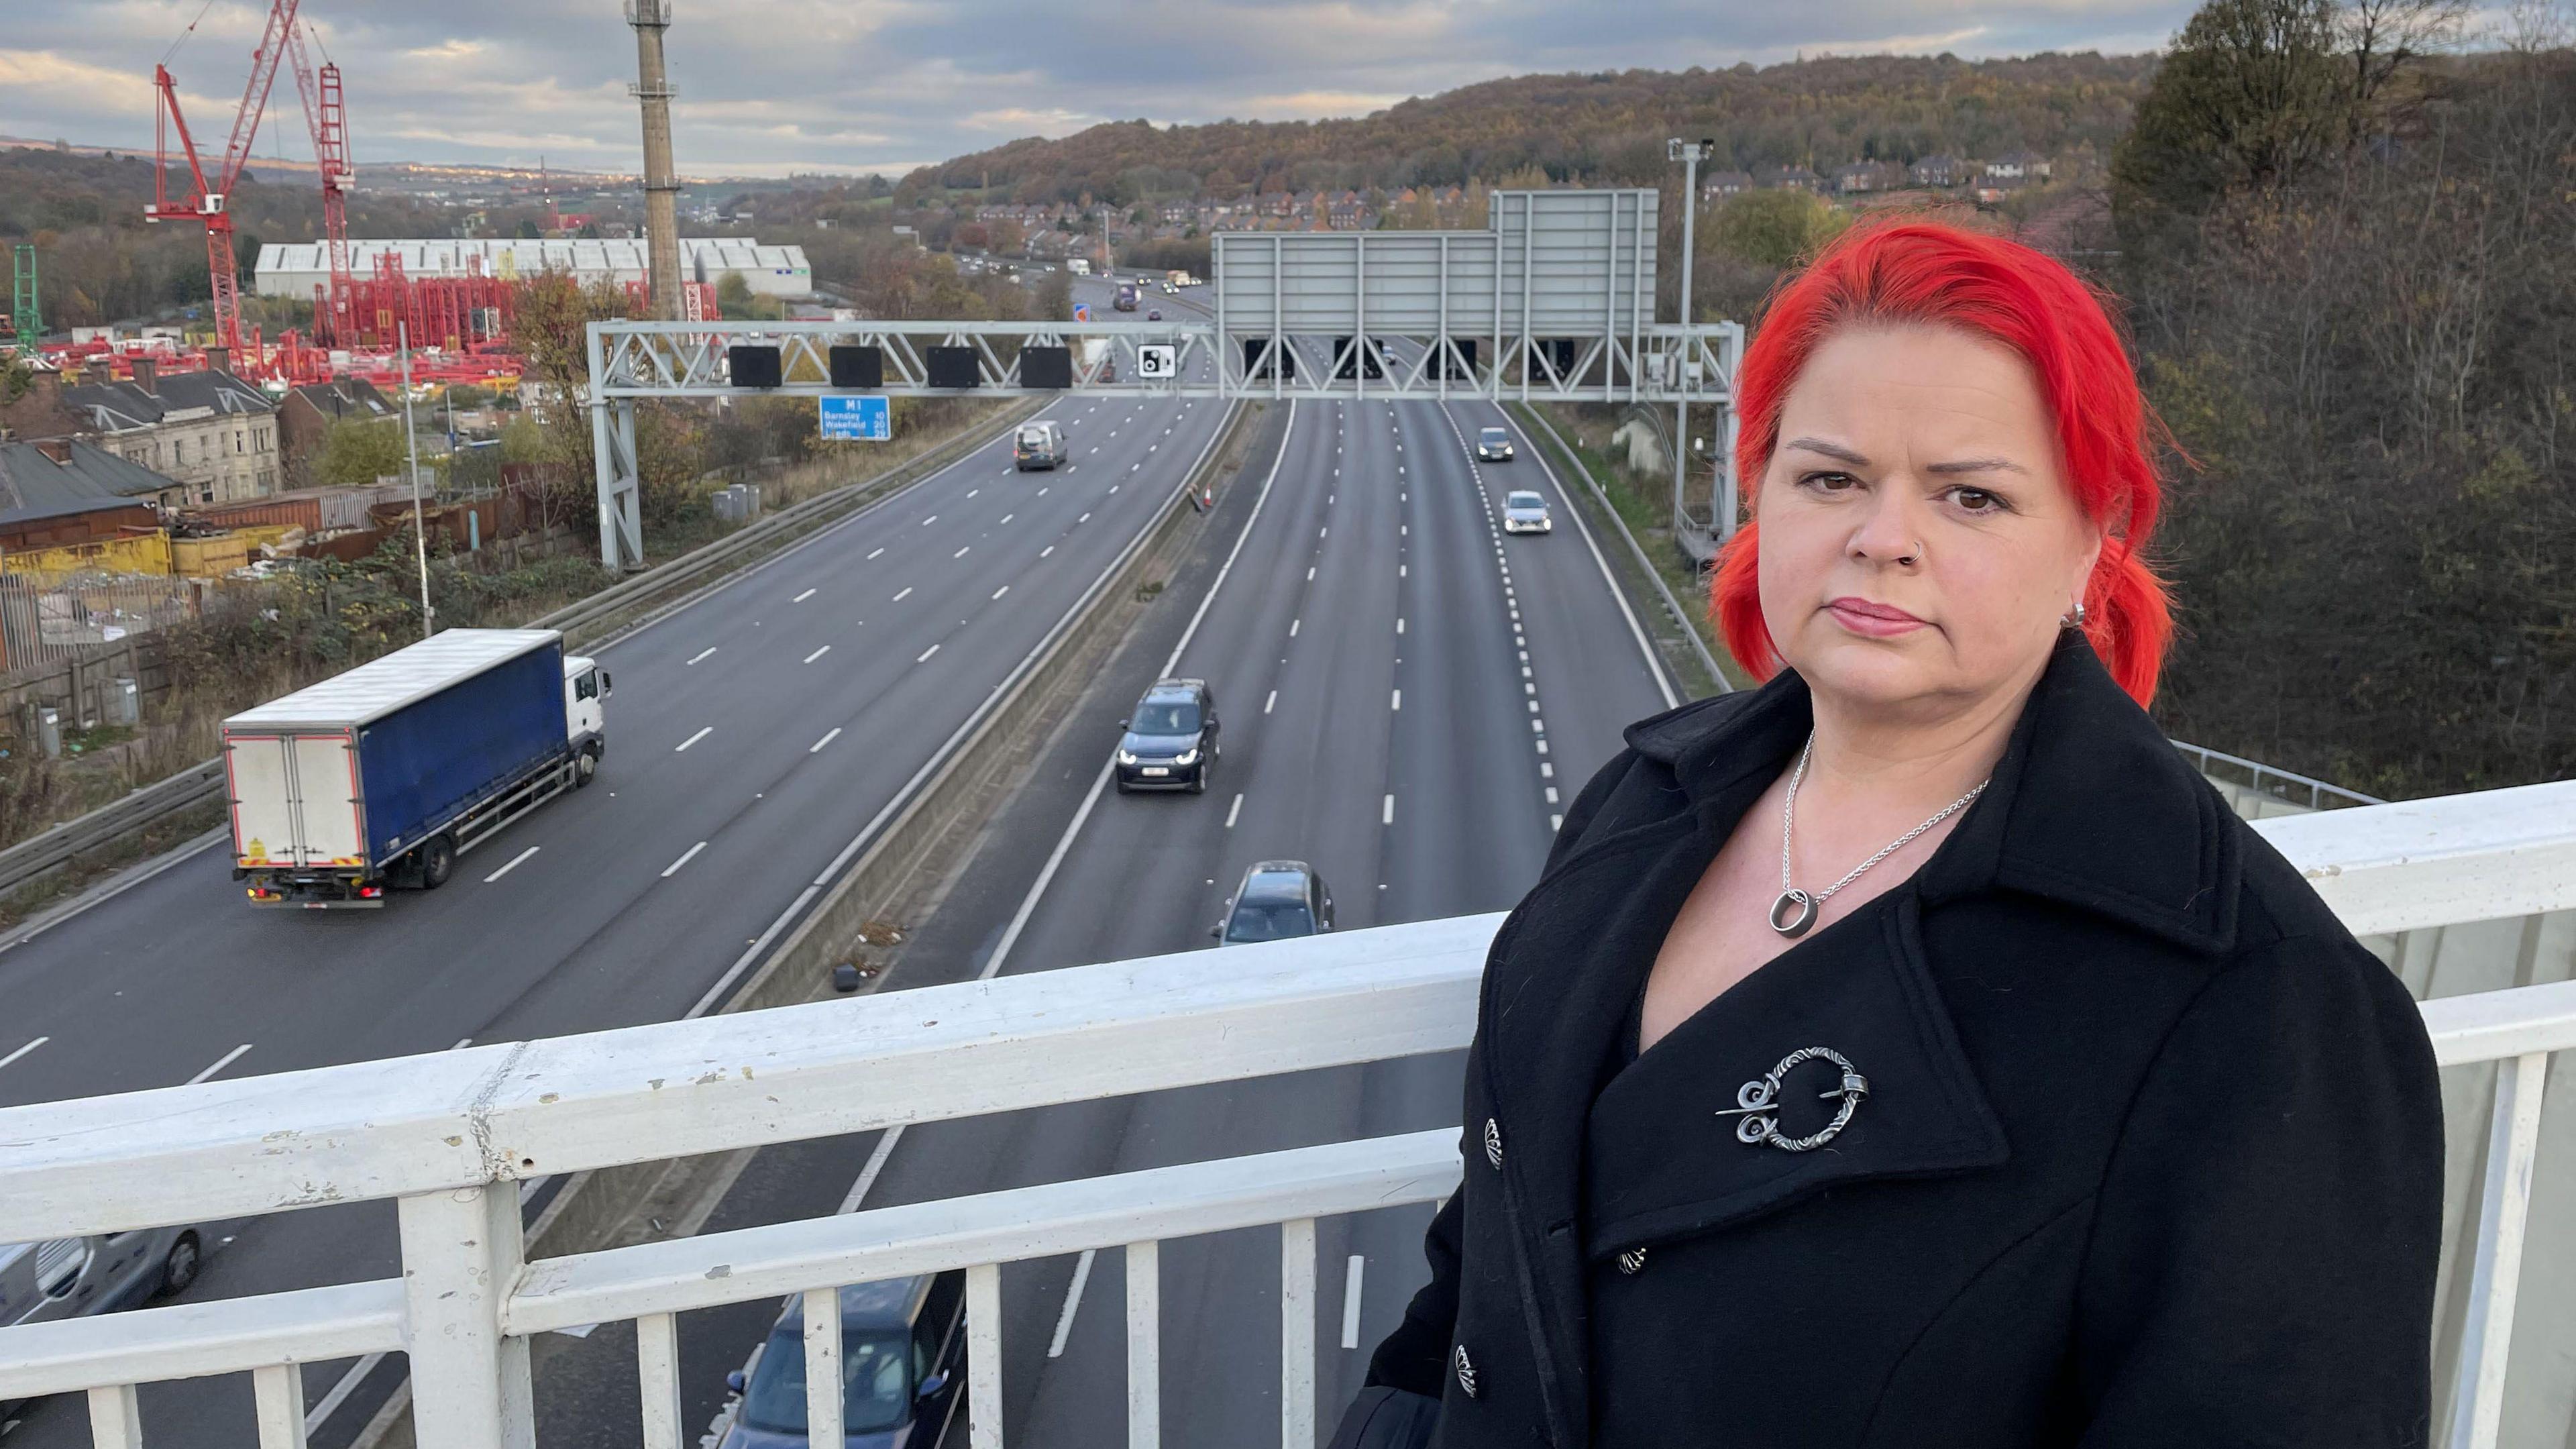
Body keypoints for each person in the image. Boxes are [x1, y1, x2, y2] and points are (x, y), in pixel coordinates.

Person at [1329, 219, 2442, 1448]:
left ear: (2093, 536)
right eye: (1831, 478)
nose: (1883, 537)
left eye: (1970, 495)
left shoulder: (2255, 1003)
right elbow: (1493, 1256)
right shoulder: (1644, 803)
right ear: (1764, 495)